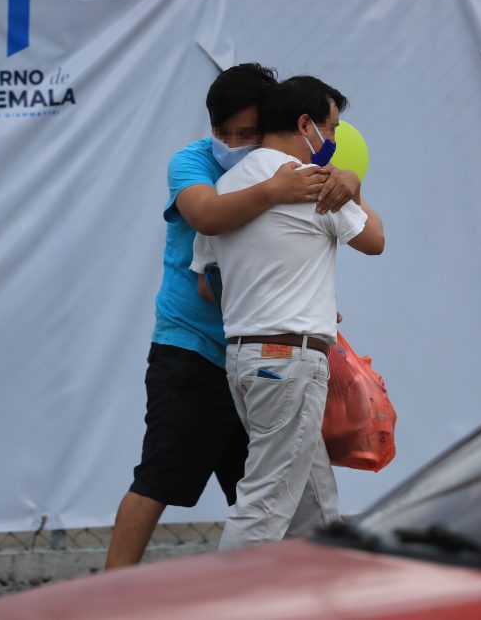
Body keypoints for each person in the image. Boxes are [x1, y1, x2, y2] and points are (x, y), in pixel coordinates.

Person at [105, 64, 362, 569]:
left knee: (274, 498)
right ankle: (105, 601)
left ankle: (294, 594)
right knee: (161, 481)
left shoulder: (290, 166)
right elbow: (204, 214)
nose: (233, 142)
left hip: (258, 356)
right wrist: (272, 192)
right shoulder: (195, 163)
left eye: (246, 132)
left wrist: (348, 178)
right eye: (222, 132)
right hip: (194, 348)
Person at [191, 76, 384, 550]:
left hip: (245, 360)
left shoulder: (227, 187)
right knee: (263, 506)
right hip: (289, 360)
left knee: (315, 511)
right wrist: (351, 182)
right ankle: (225, 605)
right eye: (332, 128)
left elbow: (205, 278)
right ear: (305, 125)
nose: (335, 142)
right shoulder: (312, 184)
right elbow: (375, 241)